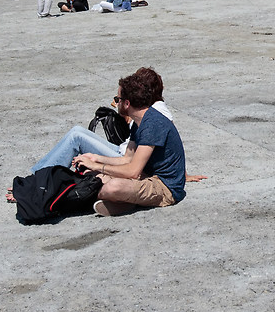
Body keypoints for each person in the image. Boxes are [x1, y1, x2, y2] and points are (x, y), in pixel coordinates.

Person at [65, 67, 186, 215]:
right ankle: (127, 202)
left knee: (112, 187)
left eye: (118, 99)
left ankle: (125, 200)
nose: (116, 103)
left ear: (127, 103)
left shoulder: (152, 124)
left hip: (165, 187)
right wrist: (95, 158)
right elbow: (127, 158)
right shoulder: (138, 121)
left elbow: (133, 171)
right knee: (91, 175)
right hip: (147, 176)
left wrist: (99, 165)